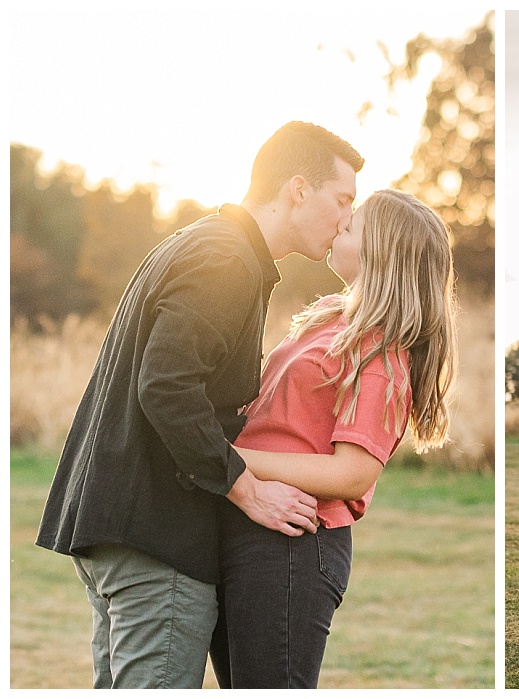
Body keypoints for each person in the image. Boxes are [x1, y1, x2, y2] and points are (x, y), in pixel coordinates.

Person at [35, 121, 365, 689]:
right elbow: (166, 386)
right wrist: (246, 486)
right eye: (342, 200)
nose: (345, 219)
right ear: (297, 190)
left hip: (122, 528)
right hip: (158, 537)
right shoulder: (225, 258)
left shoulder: (206, 242)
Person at [207, 188, 459, 688]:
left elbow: (353, 472)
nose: (341, 218)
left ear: (381, 252)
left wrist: (233, 459)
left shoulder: (380, 352)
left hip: (295, 544)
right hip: (251, 523)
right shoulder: (330, 317)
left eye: (353, 221)